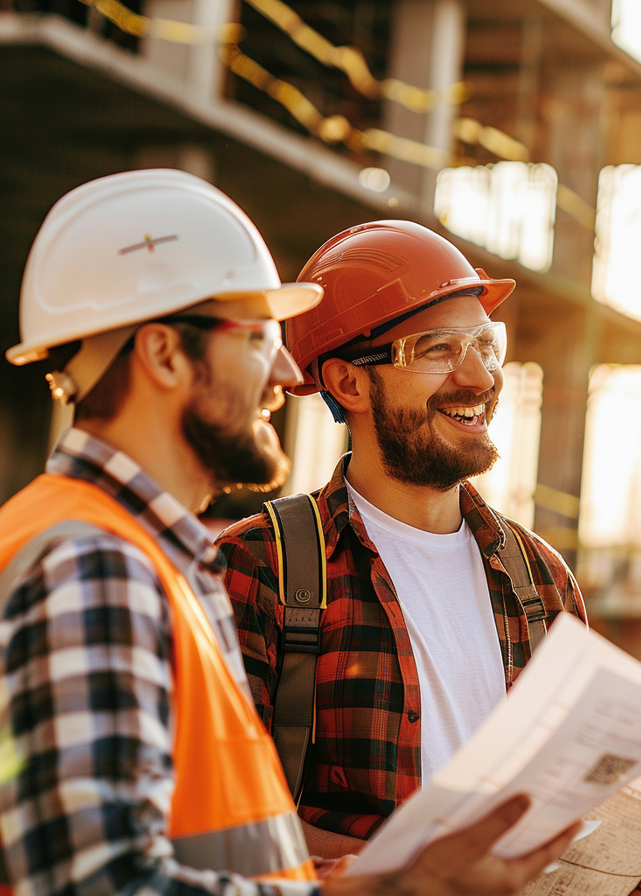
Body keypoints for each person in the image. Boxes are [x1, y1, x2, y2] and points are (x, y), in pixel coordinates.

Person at [0, 170, 576, 896]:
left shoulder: (154, 563)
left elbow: (221, 840)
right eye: (257, 338)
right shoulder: (95, 563)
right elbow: (100, 884)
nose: (283, 368)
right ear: (164, 354)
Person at [216, 220, 641, 895]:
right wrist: (419, 873)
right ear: (348, 382)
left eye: (487, 343)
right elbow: (218, 824)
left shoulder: (541, 581)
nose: (480, 376)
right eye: (438, 349)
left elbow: (569, 813)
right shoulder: (259, 569)